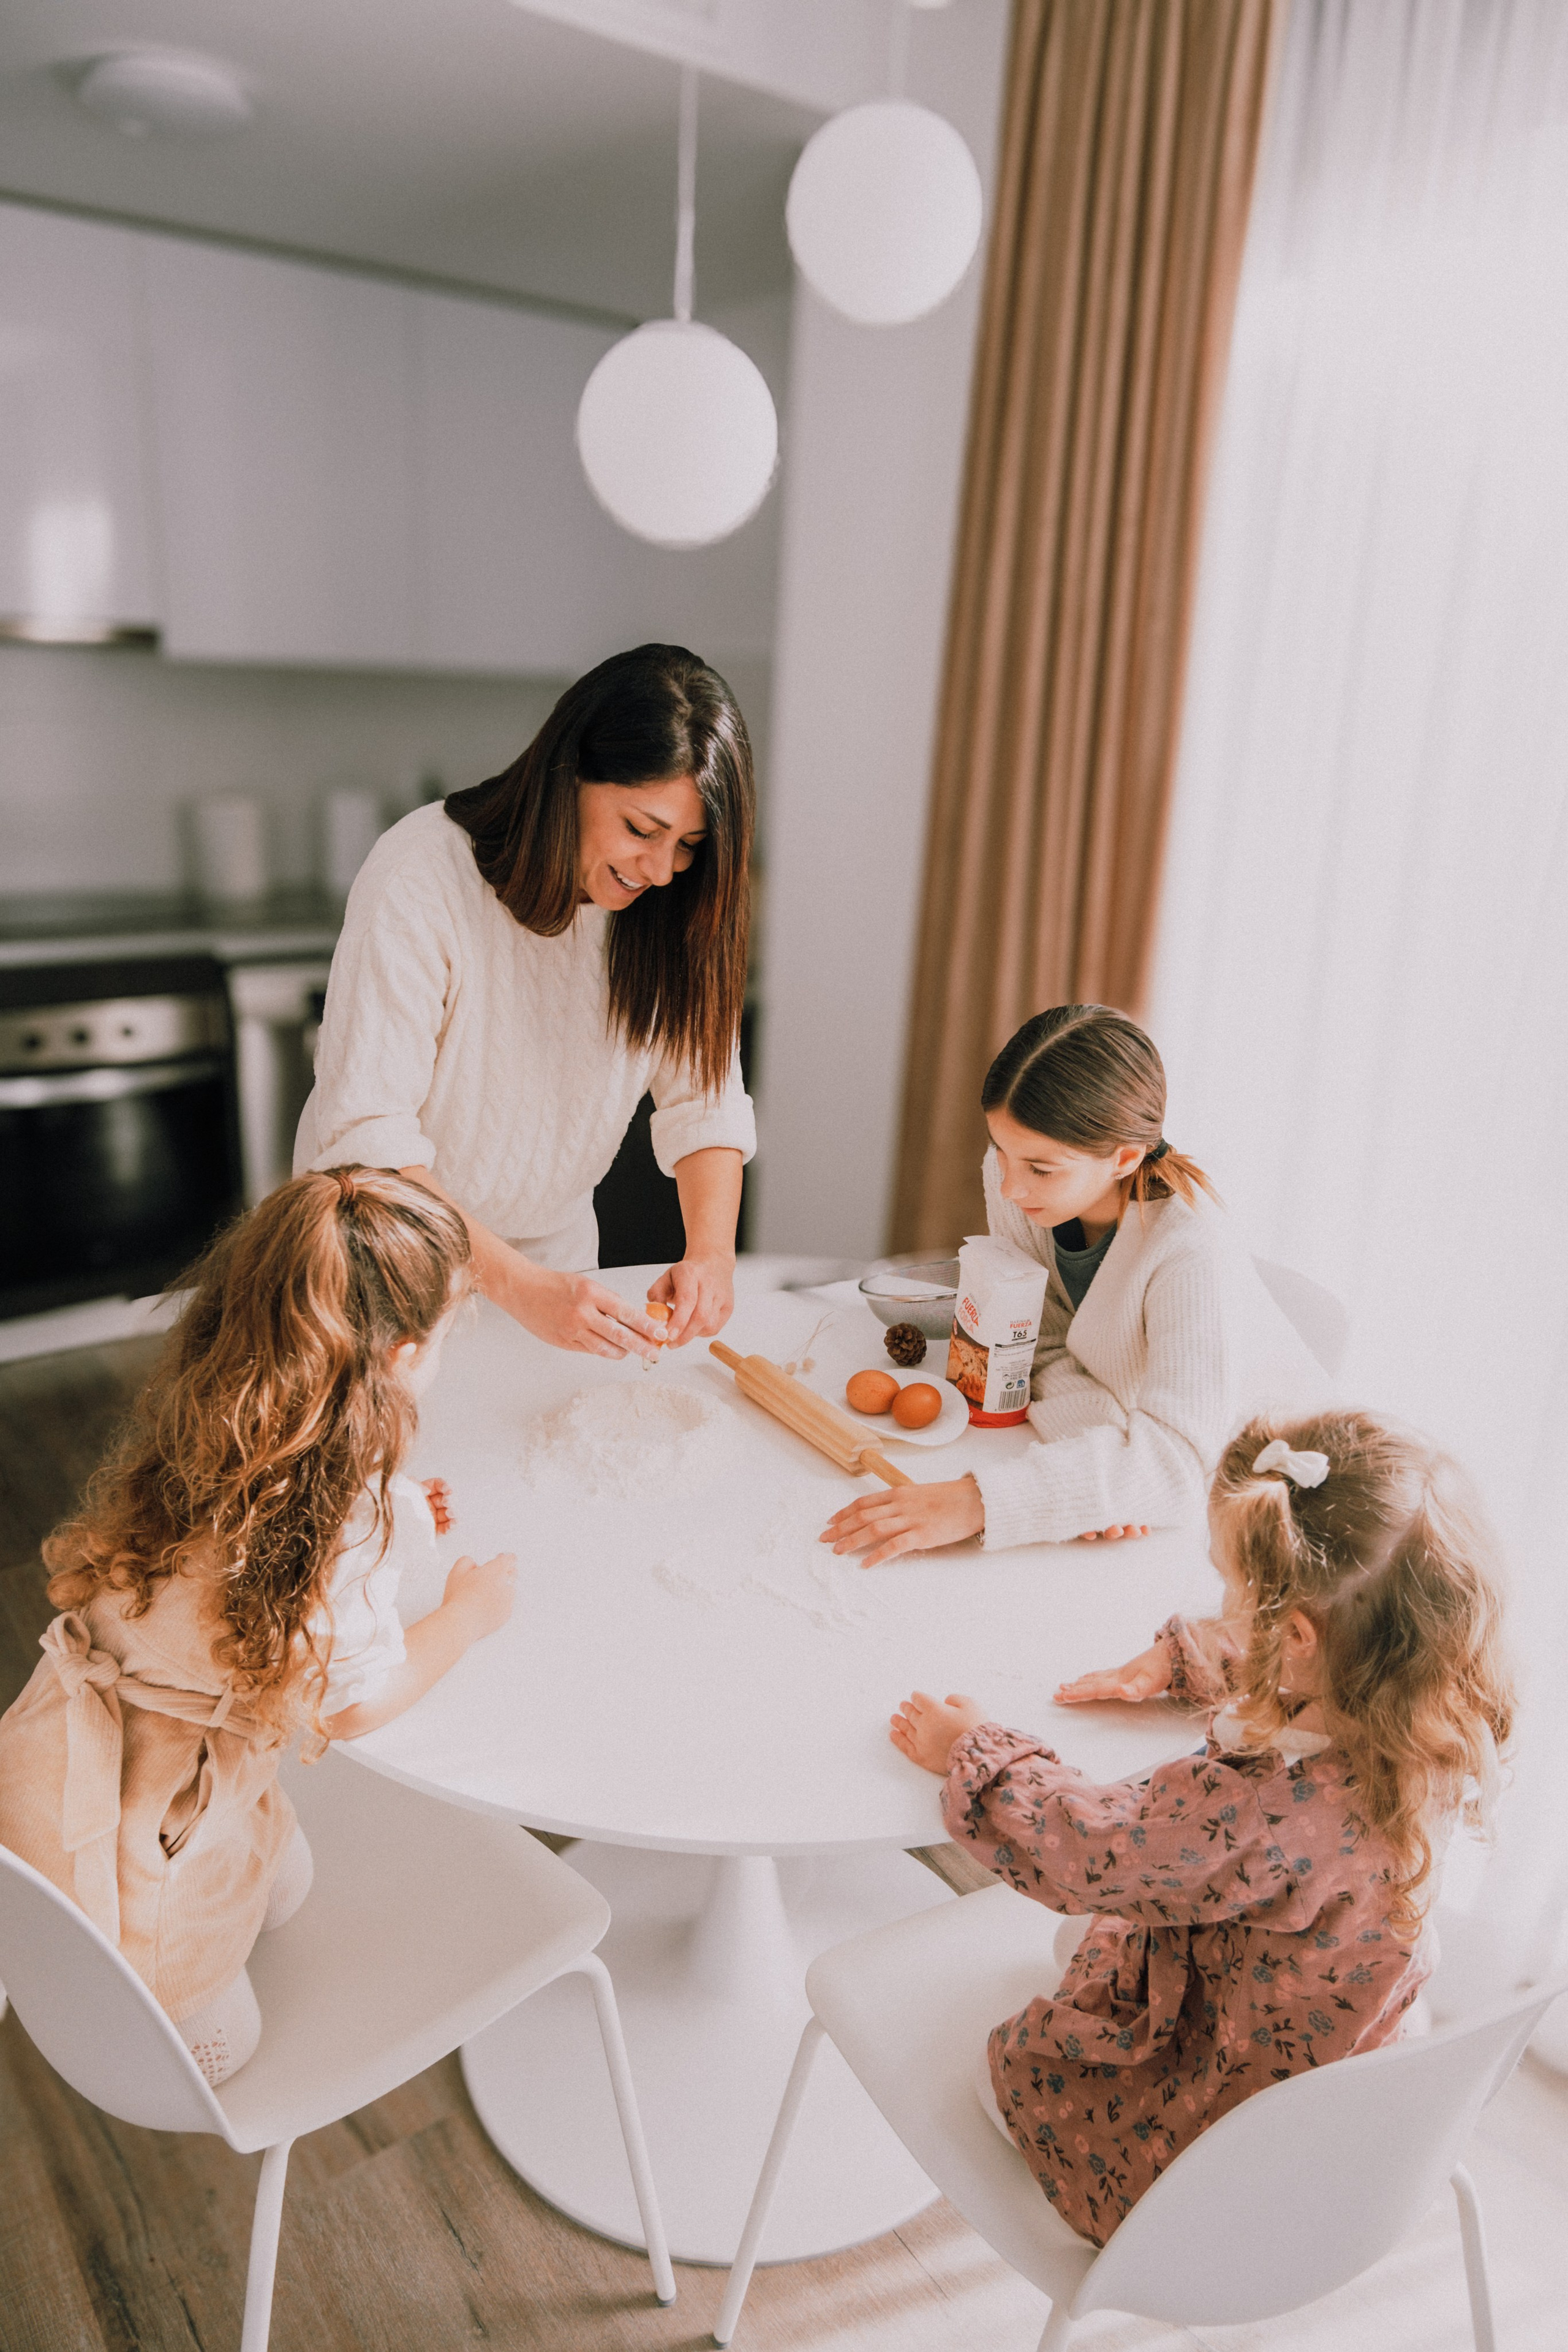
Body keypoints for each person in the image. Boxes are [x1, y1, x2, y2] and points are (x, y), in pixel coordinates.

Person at [889, 1409, 1513, 2246]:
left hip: (1200, 2133)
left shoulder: (1260, 1815)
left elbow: (1088, 1854)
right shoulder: (1440, 1716)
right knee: (1090, 1942)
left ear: (1294, 1638)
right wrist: (1186, 1661)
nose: (1224, 1607)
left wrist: (974, 1748)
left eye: (1235, 1593)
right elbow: (1316, 1660)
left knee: (996, 2069)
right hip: (1341, 2057)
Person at [0, 1169, 516, 2087]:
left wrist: (389, 1505)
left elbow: (249, 1548)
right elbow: (352, 1710)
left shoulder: (222, 1407)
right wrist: (465, 1619)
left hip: (78, 1742)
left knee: (288, 1888)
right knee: (217, 2049)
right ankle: (154, 1993)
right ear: (399, 1356)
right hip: (154, 1822)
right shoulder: (341, 1513)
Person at [295, 643, 757, 1369]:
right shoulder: (422, 875)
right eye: (641, 829)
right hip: (383, 1260)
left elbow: (706, 1097)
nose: (663, 871)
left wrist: (712, 1254)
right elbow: (366, 1142)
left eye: (690, 846)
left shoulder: (665, 910)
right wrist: (522, 1288)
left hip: (557, 1264)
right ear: (570, 775)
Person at [823, 1002, 1329, 1564]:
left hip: (1267, 1499)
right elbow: (1035, 1341)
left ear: (1125, 1158)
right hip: (1141, 1452)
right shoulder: (1022, 1181)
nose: (1011, 1186)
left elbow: (1178, 1466)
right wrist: (1095, 1474)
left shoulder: (1189, 1250)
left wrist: (980, 1501)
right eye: (999, 1150)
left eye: (1040, 1168)